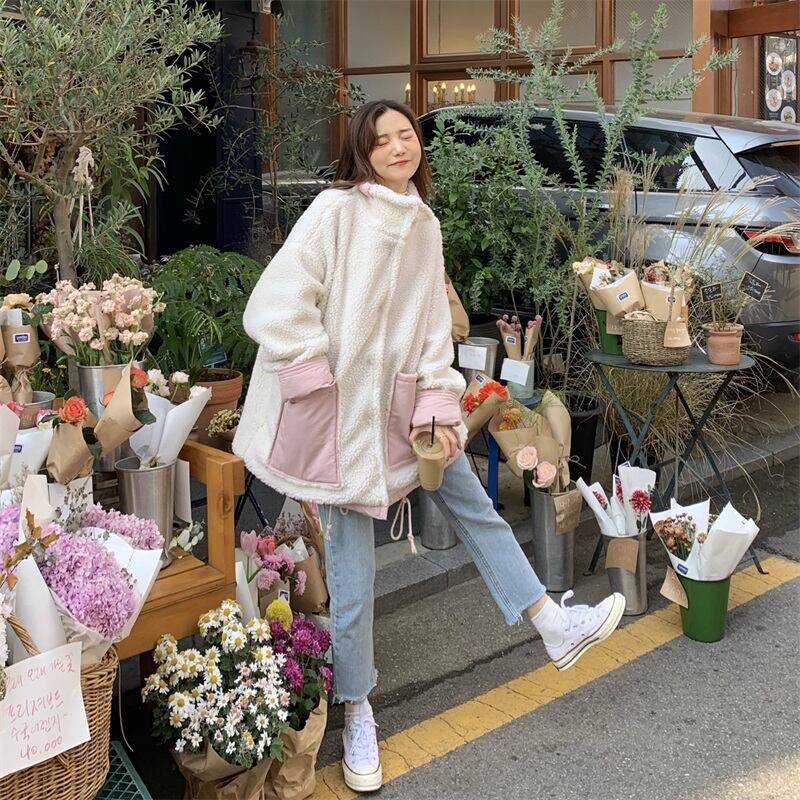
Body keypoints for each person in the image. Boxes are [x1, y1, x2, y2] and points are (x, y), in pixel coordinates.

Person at [234, 99, 625, 794]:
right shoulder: (335, 211)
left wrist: (440, 399)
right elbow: (276, 302)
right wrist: (316, 373)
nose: (397, 147)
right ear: (362, 152)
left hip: (401, 415)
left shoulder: (423, 225)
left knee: (475, 507)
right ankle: (359, 710)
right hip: (338, 423)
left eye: (406, 135)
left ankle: (551, 624)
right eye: (381, 139)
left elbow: (428, 332)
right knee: (353, 573)